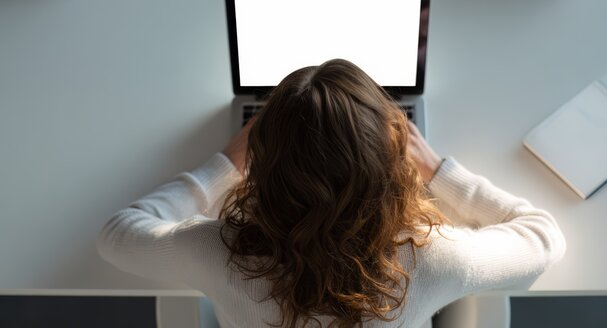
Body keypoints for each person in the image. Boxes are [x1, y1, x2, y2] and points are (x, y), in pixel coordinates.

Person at [97, 59, 566, 327]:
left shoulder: (219, 251)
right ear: (389, 162)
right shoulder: (434, 258)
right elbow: (544, 236)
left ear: (266, 166)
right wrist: (436, 169)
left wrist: (224, 165)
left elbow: (118, 234)